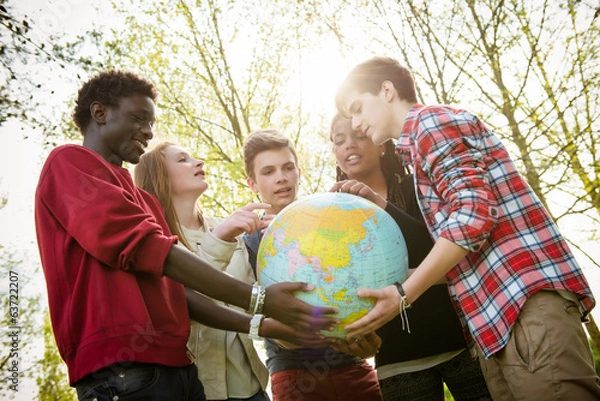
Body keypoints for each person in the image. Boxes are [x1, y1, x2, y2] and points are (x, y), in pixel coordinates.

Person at [34, 70, 336, 401]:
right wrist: (258, 298)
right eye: (139, 118)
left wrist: (260, 323)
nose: (148, 131)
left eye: (151, 123)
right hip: (121, 370)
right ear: (100, 113)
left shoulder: (145, 202)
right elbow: (147, 248)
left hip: (180, 368)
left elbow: (179, 294)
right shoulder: (68, 162)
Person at [332, 57, 600, 401]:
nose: (356, 123)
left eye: (357, 108)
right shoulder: (418, 150)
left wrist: (403, 294)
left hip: (522, 304)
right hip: (495, 325)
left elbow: (474, 214)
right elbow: (459, 253)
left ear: (387, 91)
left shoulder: (430, 123)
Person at [330, 113, 491, 401]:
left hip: (461, 345)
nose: (349, 146)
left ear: (381, 145)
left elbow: (442, 252)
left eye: (359, 136)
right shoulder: (334, 215)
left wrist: (380, 204)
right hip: (397, 361)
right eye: (339, 141)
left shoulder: (420, 188)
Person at [242, 129, 383, 401]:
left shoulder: (331, 221)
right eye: (268, 171)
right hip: (293, 375)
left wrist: (365, 338)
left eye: (288, 168)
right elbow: (255, 316)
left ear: (299, 172)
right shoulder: (248, 241)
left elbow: (361, 284)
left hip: (353, 365)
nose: (281, 177)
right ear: (252, 184)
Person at [134, 142, 270, 401]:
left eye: (194, 156)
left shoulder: (229, 229)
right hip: (196, 390)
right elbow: (182, 300)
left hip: (253, 388)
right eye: (183, 159)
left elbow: (254, 299)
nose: (199, 162)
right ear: (158, 176)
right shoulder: (154, 243)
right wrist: (220, 238)